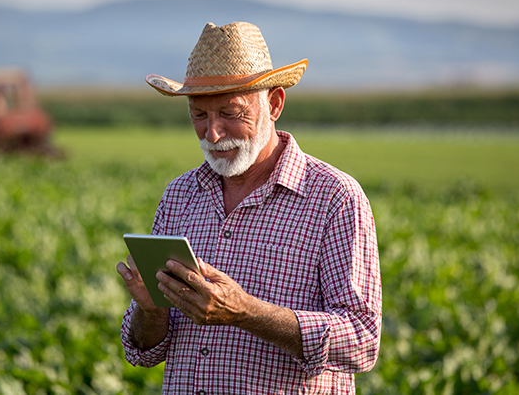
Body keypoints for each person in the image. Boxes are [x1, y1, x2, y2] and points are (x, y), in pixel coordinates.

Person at [116, 21, 381, 394]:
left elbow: (362, 341)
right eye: (199, 115)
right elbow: (144, 351)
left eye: (230, 113)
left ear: (274, 104)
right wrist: (151, 310)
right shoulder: (179, 196)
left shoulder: (334, 198)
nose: (212, 133)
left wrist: (245, 311)